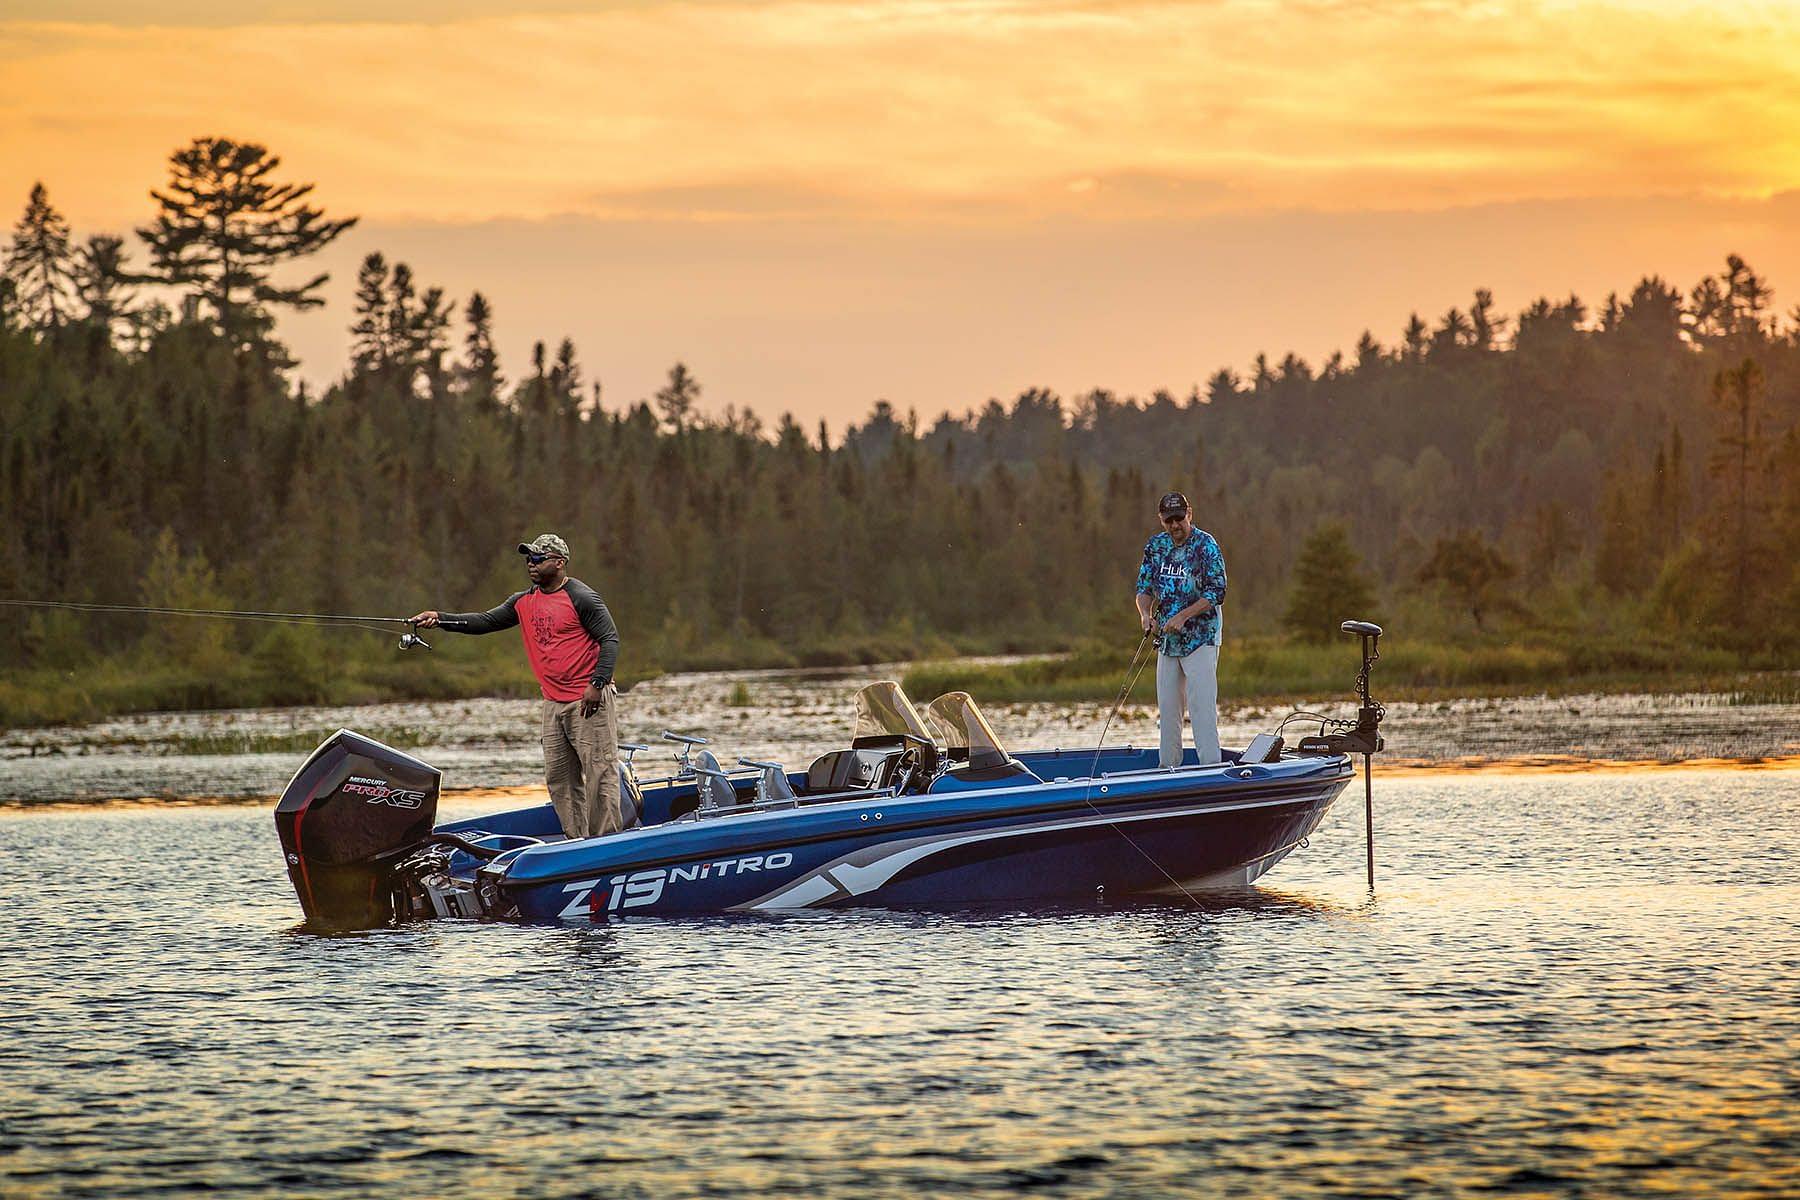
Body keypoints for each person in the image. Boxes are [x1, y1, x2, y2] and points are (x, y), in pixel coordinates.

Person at [410, 534, 622, 840]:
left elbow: (610, 640)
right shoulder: (523, 601)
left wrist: (597, 683)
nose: (531, 565)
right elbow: (484, 621)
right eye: (528, 559)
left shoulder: (582, 598)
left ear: (559, 563)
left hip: (589, 700)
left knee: (600, 774)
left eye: (538, 559)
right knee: (560, 778)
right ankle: (578, 842)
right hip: (553, 703)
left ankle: (606, 841)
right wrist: (440, 619)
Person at [1134, 491, 1227, 768]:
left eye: (1179, 518)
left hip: (1201, 638)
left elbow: (1217, 591)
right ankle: (1168, 769)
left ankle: (1211, 768)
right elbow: (1144, 588)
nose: (1175, 525)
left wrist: (1185, 616)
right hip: (1167, 642)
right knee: (1168, 711)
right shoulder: (1156, 546)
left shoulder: (1206, 545)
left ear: (1190, 515)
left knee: (1201, 710)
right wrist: (1145, 614)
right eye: (1168, 520)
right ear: (1161, 520)